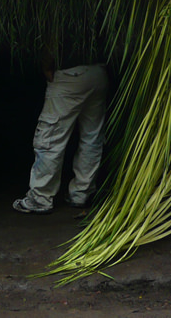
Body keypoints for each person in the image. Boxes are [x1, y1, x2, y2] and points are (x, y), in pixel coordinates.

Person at [13, 48, 109, 215]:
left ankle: (40, 198)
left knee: (50, 137)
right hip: (98, 73)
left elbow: (51, 42)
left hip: (69, 75)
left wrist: (47, 69)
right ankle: (81, 194)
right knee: (92, 138)